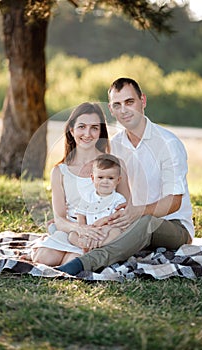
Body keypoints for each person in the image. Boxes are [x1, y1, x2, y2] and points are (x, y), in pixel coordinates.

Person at [55, 77, 195, 276]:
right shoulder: (116, 145)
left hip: (173, 226)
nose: (124, 110)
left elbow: (175, 202)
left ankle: (83, 264)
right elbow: (108, 188)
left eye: (130, 102)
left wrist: (138, 212)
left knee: (146, 222)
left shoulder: (168, 144)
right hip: (128, 221)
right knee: (111, 226)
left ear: (143, 101)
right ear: (111, 110)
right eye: (117, 105)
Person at [30, 102, 129, 266]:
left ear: (100, 132)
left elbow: (124, 210)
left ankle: (71, 252)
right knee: (44, 259)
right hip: (72, 230)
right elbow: (60, 218)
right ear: (71, 130)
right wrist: (81, 229)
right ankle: (50, 243)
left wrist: (99, 231)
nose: (87, 134)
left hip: (102, 233)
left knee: (75, 262)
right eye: (82, 127)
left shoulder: (115, 165)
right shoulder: (60, 171)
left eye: (94, 128)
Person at [71, 153, 127, 252]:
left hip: (106, 232)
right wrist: (83, 228)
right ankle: (86, 244)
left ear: (118, 180)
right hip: (90, 231)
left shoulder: (119, 199)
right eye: (100, 177)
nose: (105, 182)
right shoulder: (87, 197)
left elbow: (119, 216)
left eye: (110, 178)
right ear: (93, 178)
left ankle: (99, 246)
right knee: (72, 235)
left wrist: (105, 221)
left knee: (116, 232)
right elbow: (81, 214)